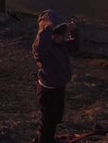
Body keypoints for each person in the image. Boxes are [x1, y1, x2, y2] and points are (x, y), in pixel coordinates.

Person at [31, 10, 79, 143]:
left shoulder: (60, 45)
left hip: (59, 87)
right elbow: (40, 48)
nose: (59, 37)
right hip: (48, 90)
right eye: (56, 33)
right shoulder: (42, 49)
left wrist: (73, 31)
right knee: (48, 120)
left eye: (60, 34)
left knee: (55, 118)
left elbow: (75, 47)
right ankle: (43, 140)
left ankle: (43, 139)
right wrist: (47, 28)